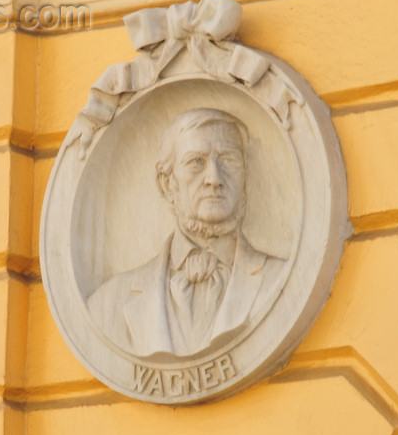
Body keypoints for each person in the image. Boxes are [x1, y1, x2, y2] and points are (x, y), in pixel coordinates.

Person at [87, 108, 287, 359]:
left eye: (229, 160)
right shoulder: (109, 303)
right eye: (196, 162)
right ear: (167, 183)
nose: (214, 178)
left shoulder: (283, 282)